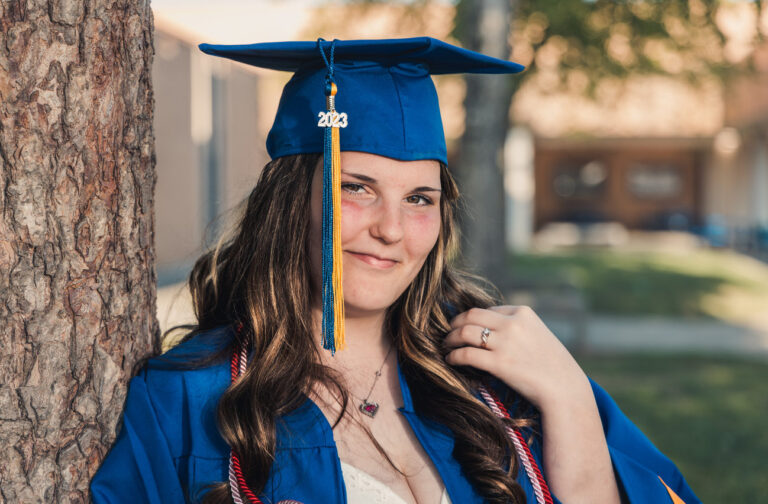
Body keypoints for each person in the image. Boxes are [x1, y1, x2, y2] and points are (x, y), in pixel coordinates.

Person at [90, 37, 700, 504]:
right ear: (290, 202)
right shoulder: (187, 399)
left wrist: (567, 394)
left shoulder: (501, 377)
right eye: (356, 188)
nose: (391, 228)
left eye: (419, 199)